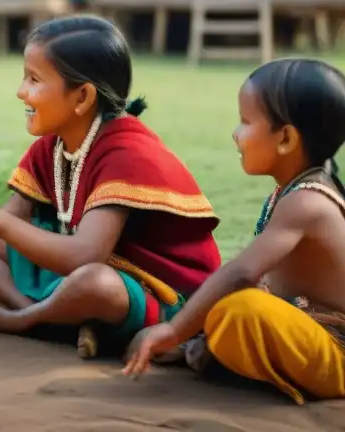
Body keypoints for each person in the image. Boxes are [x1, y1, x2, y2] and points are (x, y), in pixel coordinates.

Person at [0, 15, 222, 357]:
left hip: (161, 295)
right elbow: (13, 221)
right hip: (84, 269)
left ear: (82, 97)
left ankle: (24, 320)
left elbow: (86, 254)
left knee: (94, 284)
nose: (21, 91)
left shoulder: (127, 152)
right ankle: (57, 321)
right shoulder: (53, 145)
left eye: (34, 80)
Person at [124, 58, 345, 404]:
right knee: (223, 295)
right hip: (304, 326)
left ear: (285, 137)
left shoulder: (306, 203)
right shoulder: (292, 190)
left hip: (335, 351)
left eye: (245, 122)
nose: (235, 133)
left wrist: (172, 330)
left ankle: (205, 349)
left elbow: (242, 271)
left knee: (240, 307)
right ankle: (208, 349)